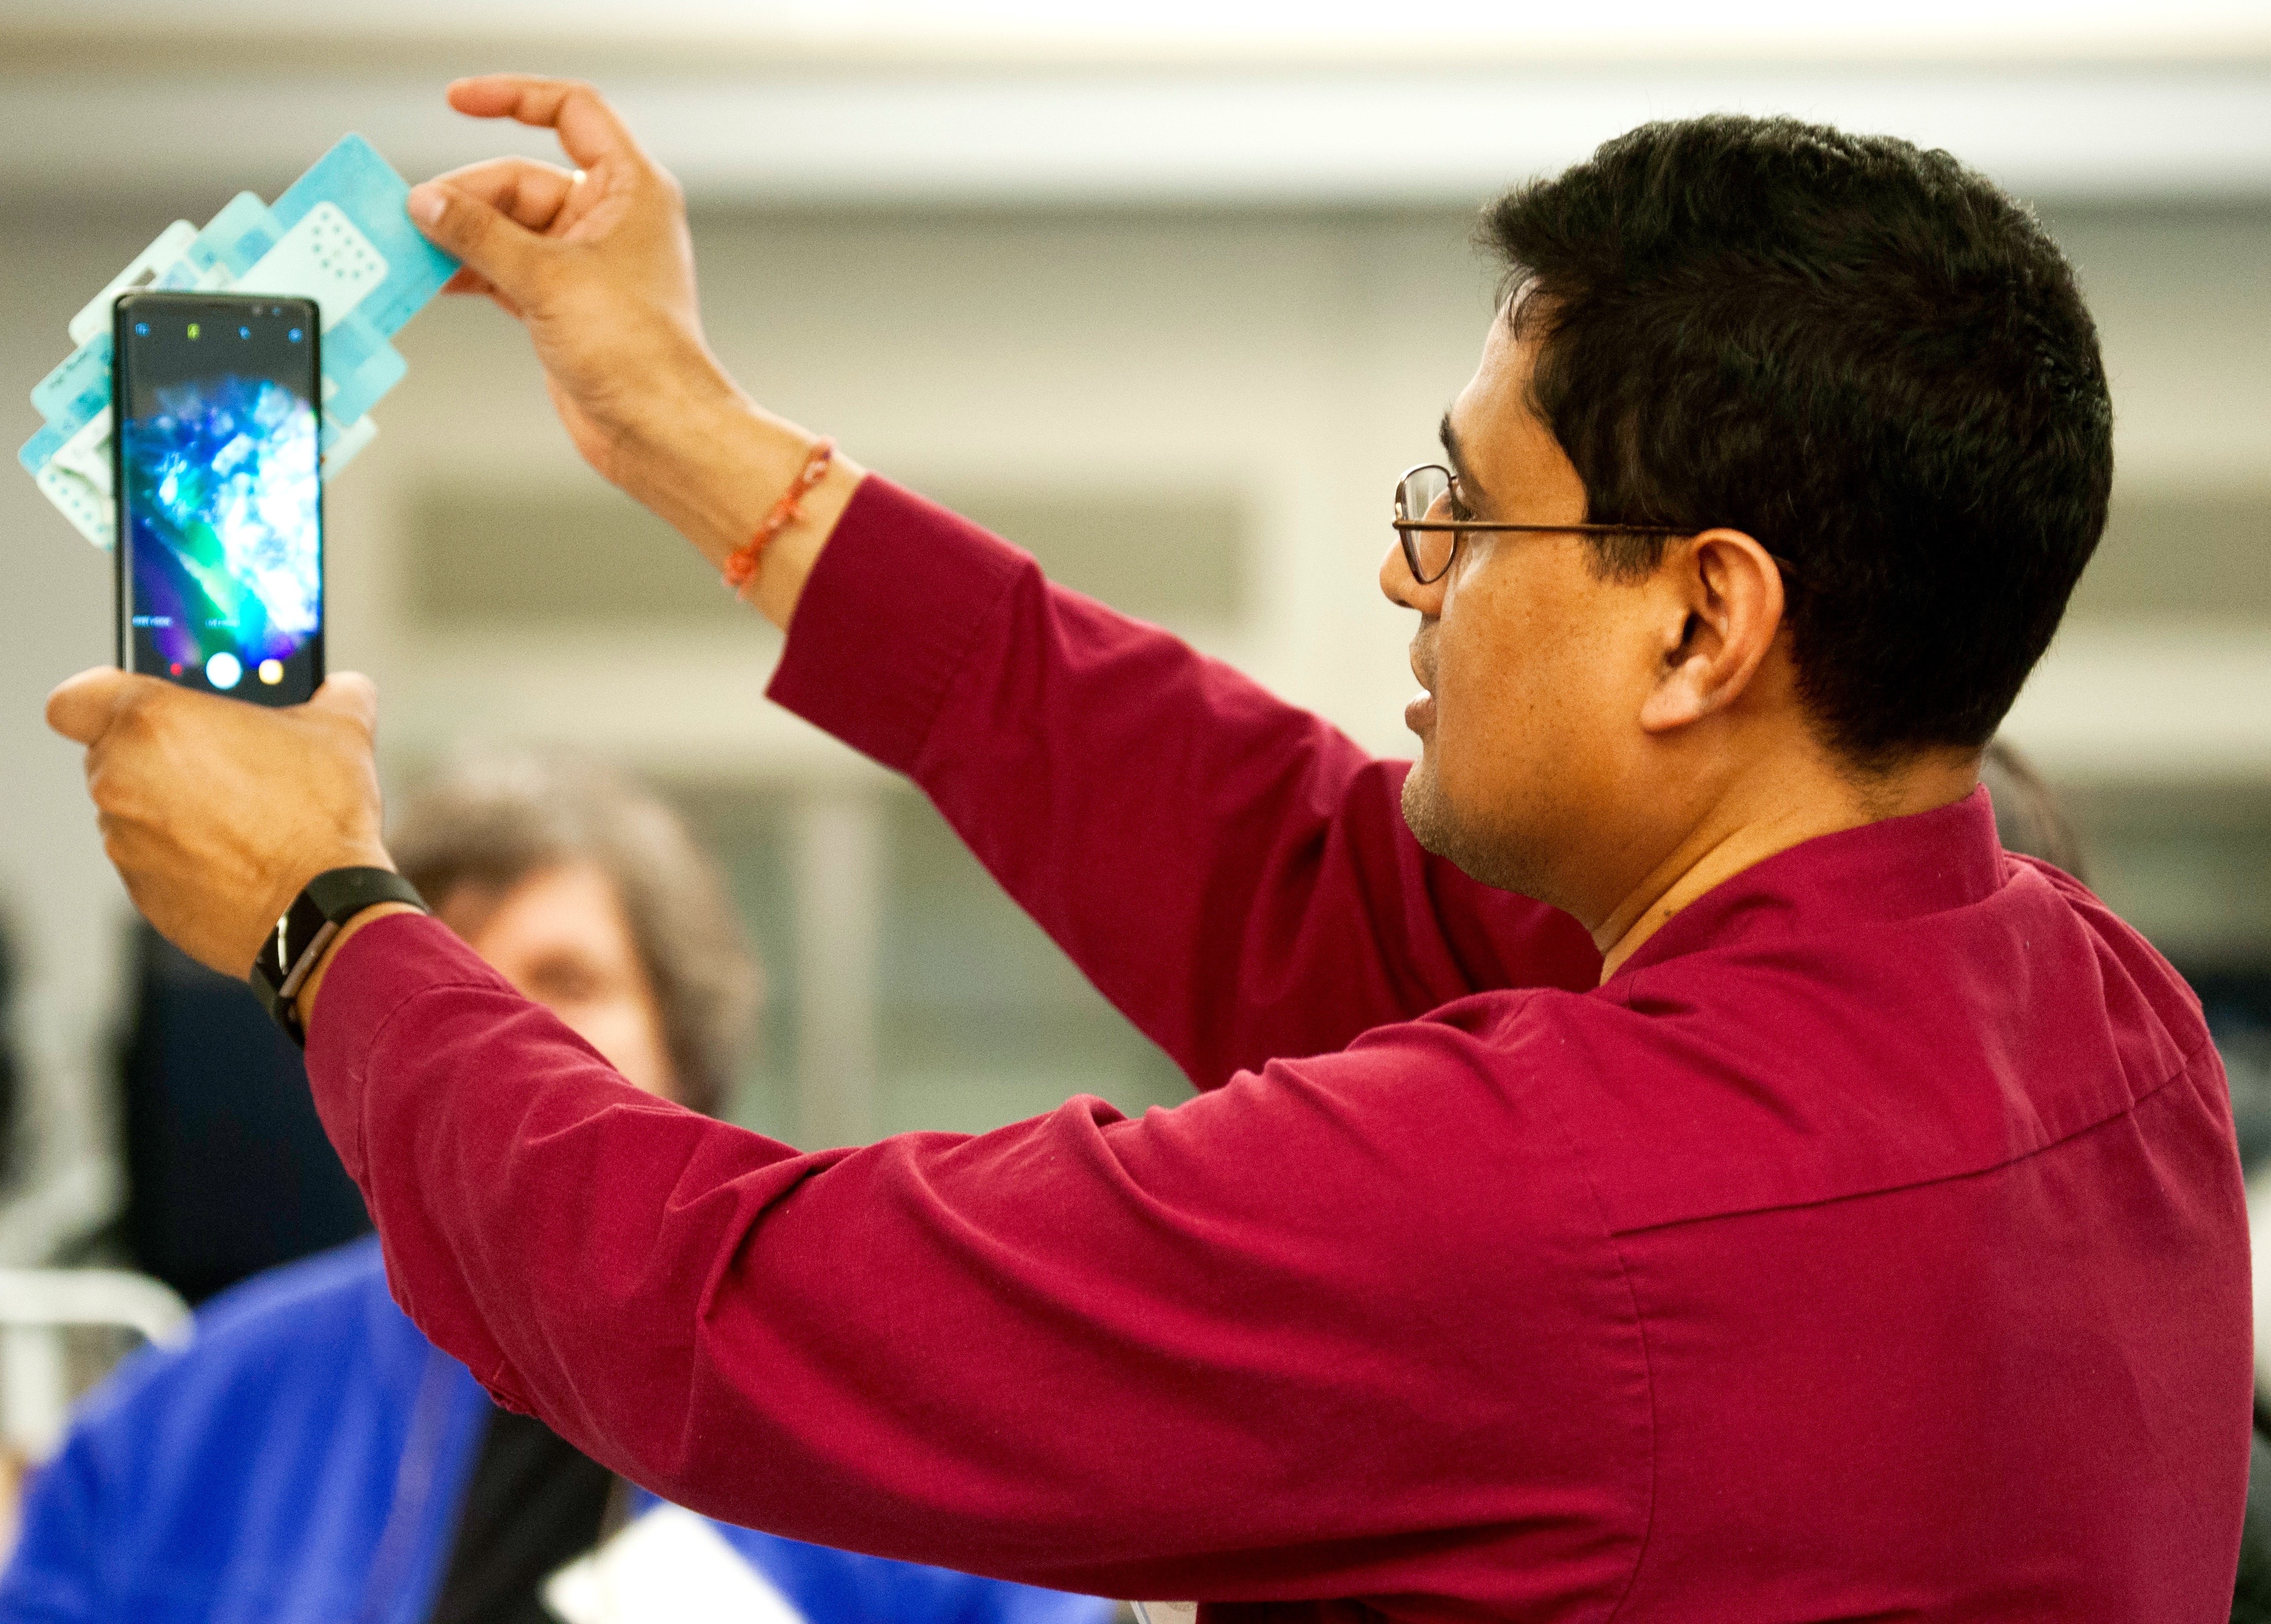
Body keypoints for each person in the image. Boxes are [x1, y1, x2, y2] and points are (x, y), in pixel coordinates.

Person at [44, 78, 2250, 1619]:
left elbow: (731, 1307)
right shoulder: (2093, 1013)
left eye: (1464, 511)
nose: (1416, 580)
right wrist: (711, 456)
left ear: (1703, 614)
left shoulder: (1543, 1212)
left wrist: (327, 914)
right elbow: (1293, 868)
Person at [0, 756, 1111, 1624]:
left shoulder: (873, 1412)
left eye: (566, 981)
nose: (496, 1043)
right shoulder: (184, 1424)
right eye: (451, 985)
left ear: (688, 1051)